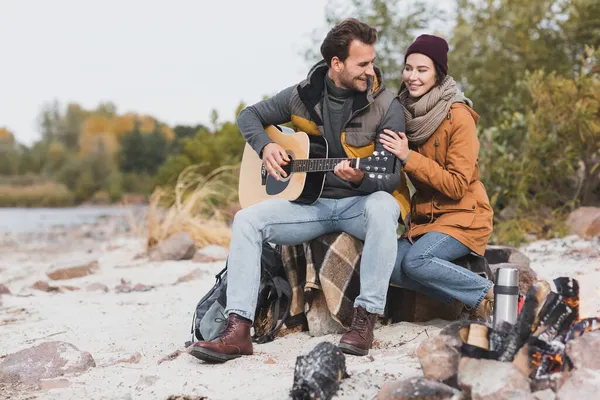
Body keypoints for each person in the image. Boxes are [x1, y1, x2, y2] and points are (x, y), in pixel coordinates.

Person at [190, 18, 411, 363]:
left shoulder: (386, 105)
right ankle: (238, 329)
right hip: (312, 206)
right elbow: (248, 116)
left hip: (359, 204)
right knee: (247, 220)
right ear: (336, 64)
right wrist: (266, 147)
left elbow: (391, 176)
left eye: (372, 61)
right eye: (362, 63)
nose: (371, 70)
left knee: (384, 205)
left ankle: (365, 319)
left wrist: (361, 180)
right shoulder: (302, 96)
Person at [380, 34, 495, 320]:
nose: (412, 77)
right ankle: (465, 296)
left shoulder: (458, 116)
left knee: (417, 261)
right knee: (387, 265)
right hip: (425, 220)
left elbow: (457, 186)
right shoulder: (402, 115)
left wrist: (409, 157)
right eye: (408, 68)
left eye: (422, 70)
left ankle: (489, 292)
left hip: (464, 216)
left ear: (438, 74)